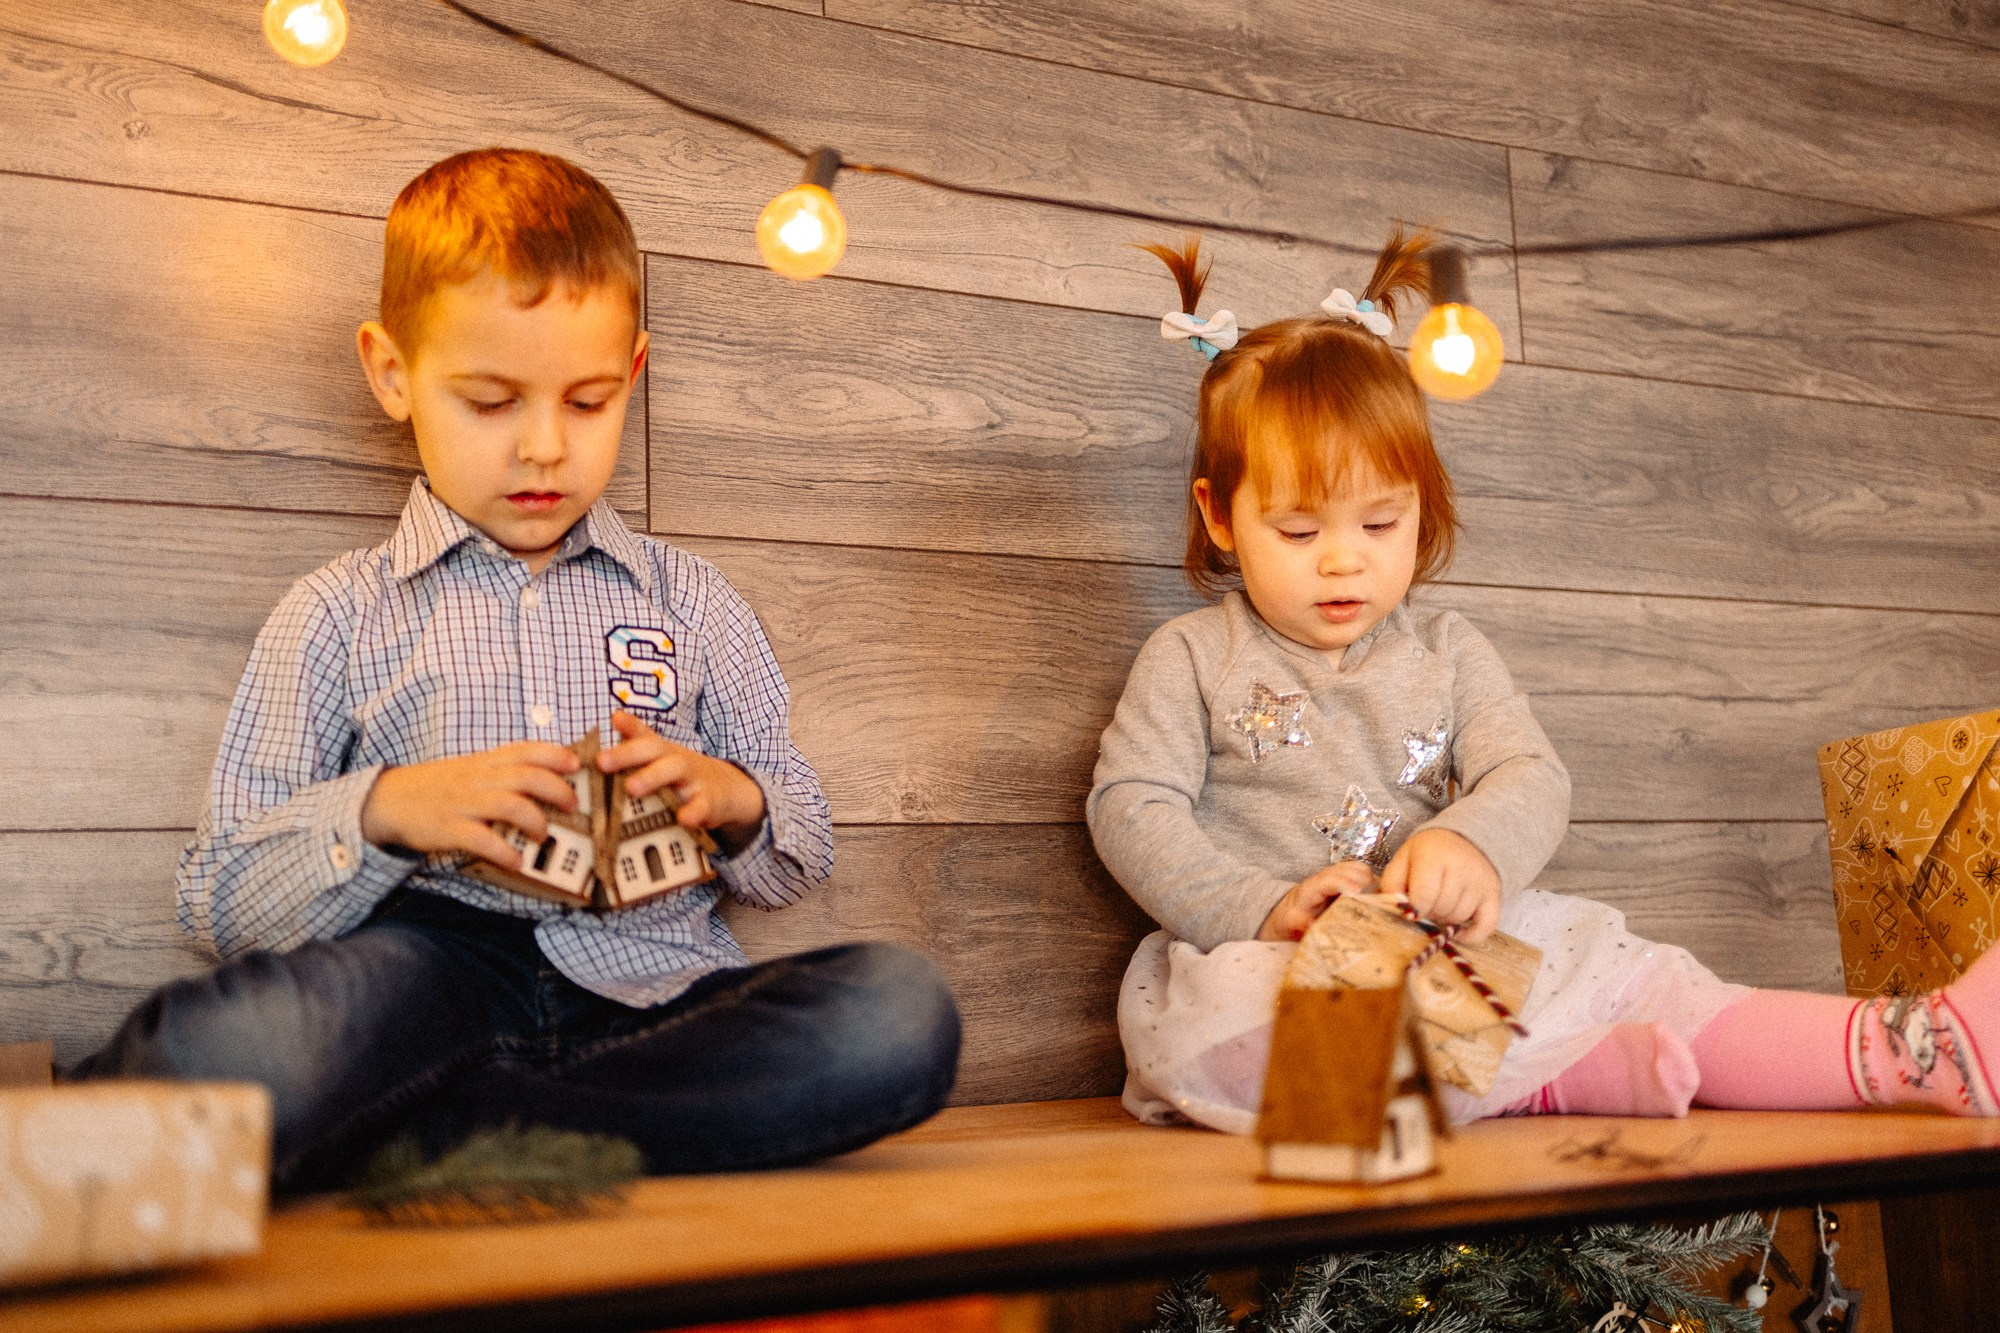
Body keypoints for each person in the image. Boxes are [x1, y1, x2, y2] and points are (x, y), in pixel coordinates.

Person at [73, 149, 961, 1192]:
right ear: (392, 371)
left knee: (896, 1011)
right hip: (426, 981)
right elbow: (220, 898)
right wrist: (392, 806)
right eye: (491, 402)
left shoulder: (694, 602)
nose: (544, 447)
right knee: (240, 1043)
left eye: (585, 403)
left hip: (654, 994)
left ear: (632, 374)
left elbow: (797, 852)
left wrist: (728, 797)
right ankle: (505, 1132)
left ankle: (447, 1137)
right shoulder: (338, 612)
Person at [1088, 229, 2000, 1131]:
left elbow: (1529, 773)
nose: (1343, 564)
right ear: (1219, 514)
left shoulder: (1447, 649)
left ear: (1420, 508)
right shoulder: (1192, 656)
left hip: (1442, 951)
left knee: (1636, 970)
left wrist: (1473, 845)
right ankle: (1547, 1078)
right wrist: (1262, 906)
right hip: (1271, 961)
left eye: (1380, 525)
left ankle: (1912, 1044)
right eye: (1299, 531)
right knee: (1237, 1036)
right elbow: (1132, 806)